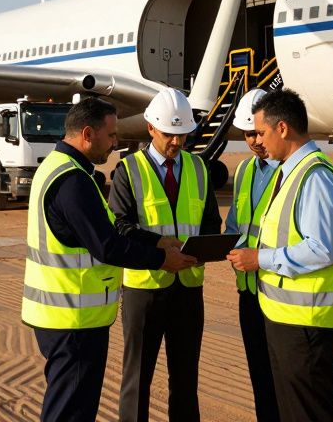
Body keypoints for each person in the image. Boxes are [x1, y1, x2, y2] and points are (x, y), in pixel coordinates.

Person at [22, 96, 197, 422]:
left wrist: (157, 240)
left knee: (69, 405)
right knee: (71, 411)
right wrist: (161, 259)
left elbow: (111, 234)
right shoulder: (73, 181)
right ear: (88, 134)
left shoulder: (59, 167)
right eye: (112, 135)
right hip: (73, 320)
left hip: (61, 316)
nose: (116, 144)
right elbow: (108, 247)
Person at [227, 88, 333, 422]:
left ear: (282, 129)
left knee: (309, 412)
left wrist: (259, 260)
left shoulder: (315, 176)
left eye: (262, 133)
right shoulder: (289, 171)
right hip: (284, 315)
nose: (258, 142)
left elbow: (322, 248)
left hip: (308, 322)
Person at [109, 88, 223, 422]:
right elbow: (119, 226)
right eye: (169, 135)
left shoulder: (199, 168)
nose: (176, 142)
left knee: (186, 379)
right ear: (150, 128)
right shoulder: (128, 170)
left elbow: (211, 223)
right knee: (137, 379)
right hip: (144, 290)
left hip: (188, 288)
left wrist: (205, 249)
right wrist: (161, 246)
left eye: (182, 135)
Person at [223, 88, 280, 421]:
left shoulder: (291, 169)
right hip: (248, 291)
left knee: (285, 381)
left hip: (279, 291)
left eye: (260, 133)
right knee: (260, 376)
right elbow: (235, 223)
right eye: (248, 134)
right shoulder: (244, 171)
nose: (255, 141)